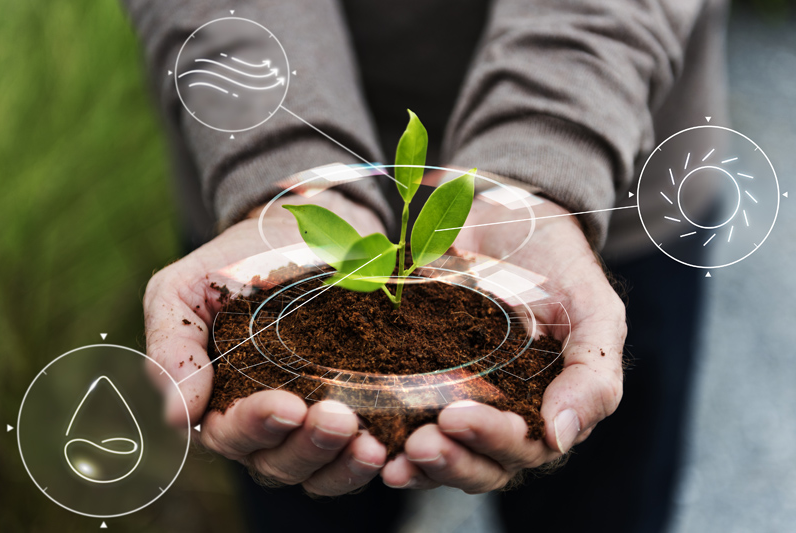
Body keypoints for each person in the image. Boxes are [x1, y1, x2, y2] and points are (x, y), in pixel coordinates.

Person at [126, 0, 729, 531]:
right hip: (259, 197)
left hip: (606, 159)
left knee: (598, 499)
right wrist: (281, 156)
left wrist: (550, 147)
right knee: (302, 476)